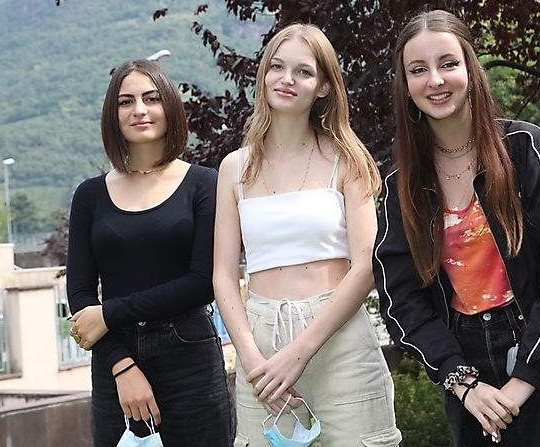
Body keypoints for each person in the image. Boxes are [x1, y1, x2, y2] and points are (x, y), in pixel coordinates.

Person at [373, 10, 540, 447]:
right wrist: (464, 384)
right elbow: (401, 298)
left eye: (447, 63)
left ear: (469, 68)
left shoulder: (525, 150)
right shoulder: (401, 186)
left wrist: (523, 379)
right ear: (405, 85)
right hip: (467, 368)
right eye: (418, 70)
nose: (435, 80)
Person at [213, 24, 403, 446]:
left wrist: (298, 353)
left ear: (323, 87)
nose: (287, 79)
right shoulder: (234, 169)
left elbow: (367, 265)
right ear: (264, 75)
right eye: (277, 67)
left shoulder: (347, 160)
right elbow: (223, 275)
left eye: (303, 72)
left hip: (339, 339)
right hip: (261, 342)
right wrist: (251, 359)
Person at [66, 59, 235, 447]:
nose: (139, 110)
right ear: (113, 115)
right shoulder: (89, 195)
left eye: (151, 98)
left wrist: (109, 313)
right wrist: (122, 366)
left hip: (190, 359)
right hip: (114, 359)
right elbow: (80, 295)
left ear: (170, 106)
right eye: (126, 102)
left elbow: (202, 282)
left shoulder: (204, 184)